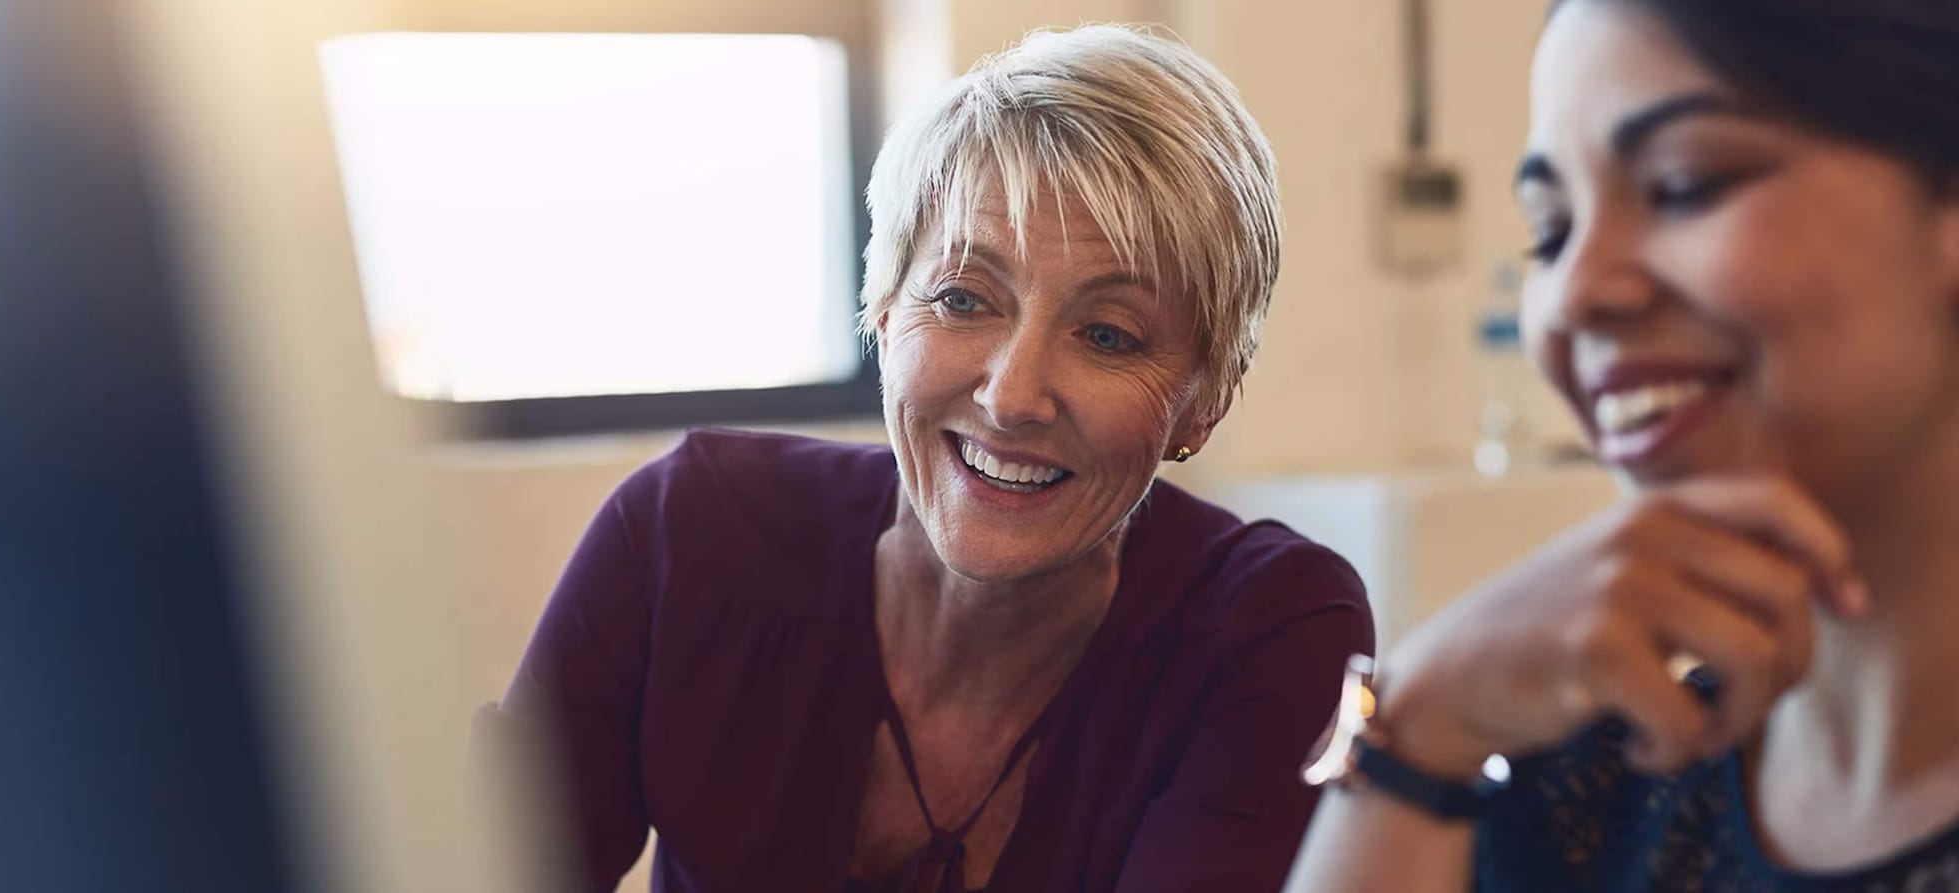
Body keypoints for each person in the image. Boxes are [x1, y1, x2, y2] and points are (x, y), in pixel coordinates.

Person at [483, 23, 1373, 893]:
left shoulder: (1272, 631)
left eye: (1108, 334)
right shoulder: (686, 538)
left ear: (1205, 401)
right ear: (880, 310)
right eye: (961, 297)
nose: (1012, 396)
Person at [1285, 1, 1959, 890]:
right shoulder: (1581, 790)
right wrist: (1415, 725)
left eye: (1686, 184)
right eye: (1550, 232)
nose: (1573, 295)